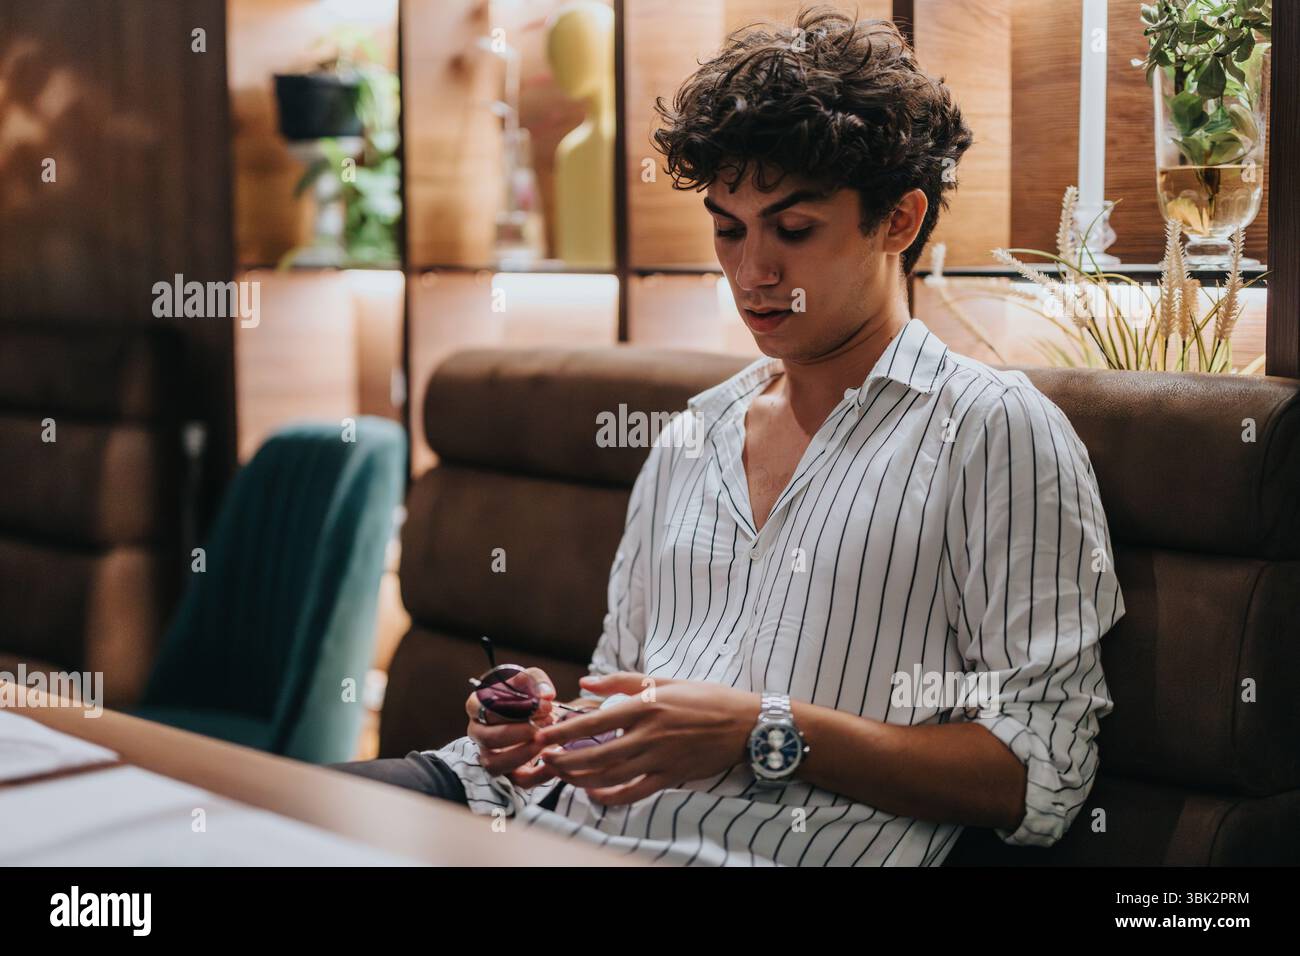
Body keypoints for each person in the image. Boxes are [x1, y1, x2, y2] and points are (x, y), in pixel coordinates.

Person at [332, 5, 1124, 866]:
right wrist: (547, 727)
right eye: (727, 229)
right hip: (520, 807)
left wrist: (763, 731)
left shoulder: (995, 433)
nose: (753, 274)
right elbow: (625, 694)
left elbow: (1039, 778)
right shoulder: (694, 432)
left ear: (898, 221)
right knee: (231, 819)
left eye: (793, 229)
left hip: (741, 852)